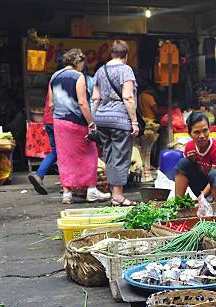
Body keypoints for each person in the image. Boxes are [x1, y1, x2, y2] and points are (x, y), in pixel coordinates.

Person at [48, 48, 109, 204]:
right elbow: (82, 102)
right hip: (76, 121)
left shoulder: (54, 77)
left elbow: (51, 104)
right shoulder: (78, 76)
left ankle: (67, 193)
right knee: (90, 154)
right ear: (78, 62)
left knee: (64, 157)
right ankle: (91, 189)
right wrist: (91, 123)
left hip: (59, 122)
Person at [92, 40, 139, 206]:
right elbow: (128, 96)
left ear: (111, 54)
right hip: (120, 120)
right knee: (121, 156)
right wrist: (134, 122)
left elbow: (95, 98)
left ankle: (114, 194)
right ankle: (118, 196)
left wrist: (93, 120)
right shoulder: (126, 70)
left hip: (102, 119)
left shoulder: (100, 70)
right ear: (126, 56)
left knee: (110, 156)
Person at [175, 112, 216, 204]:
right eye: (196, 132)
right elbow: (200, 172)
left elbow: (215, 177)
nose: (202, 136)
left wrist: (201, 197)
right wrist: (193, 161)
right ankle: (178, 204)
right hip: (206, 185)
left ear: (209, 129)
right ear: (189, 133)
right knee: (183, 163)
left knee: (214, 174)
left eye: (205, 130)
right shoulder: (190, 147)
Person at [27, 91, 55, 195]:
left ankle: (39, 175)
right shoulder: (73, 79)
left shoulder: (53, 81)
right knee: (59, 152)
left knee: (55, 151)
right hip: (57, 120)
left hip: (48, 119)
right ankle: (39, 175)